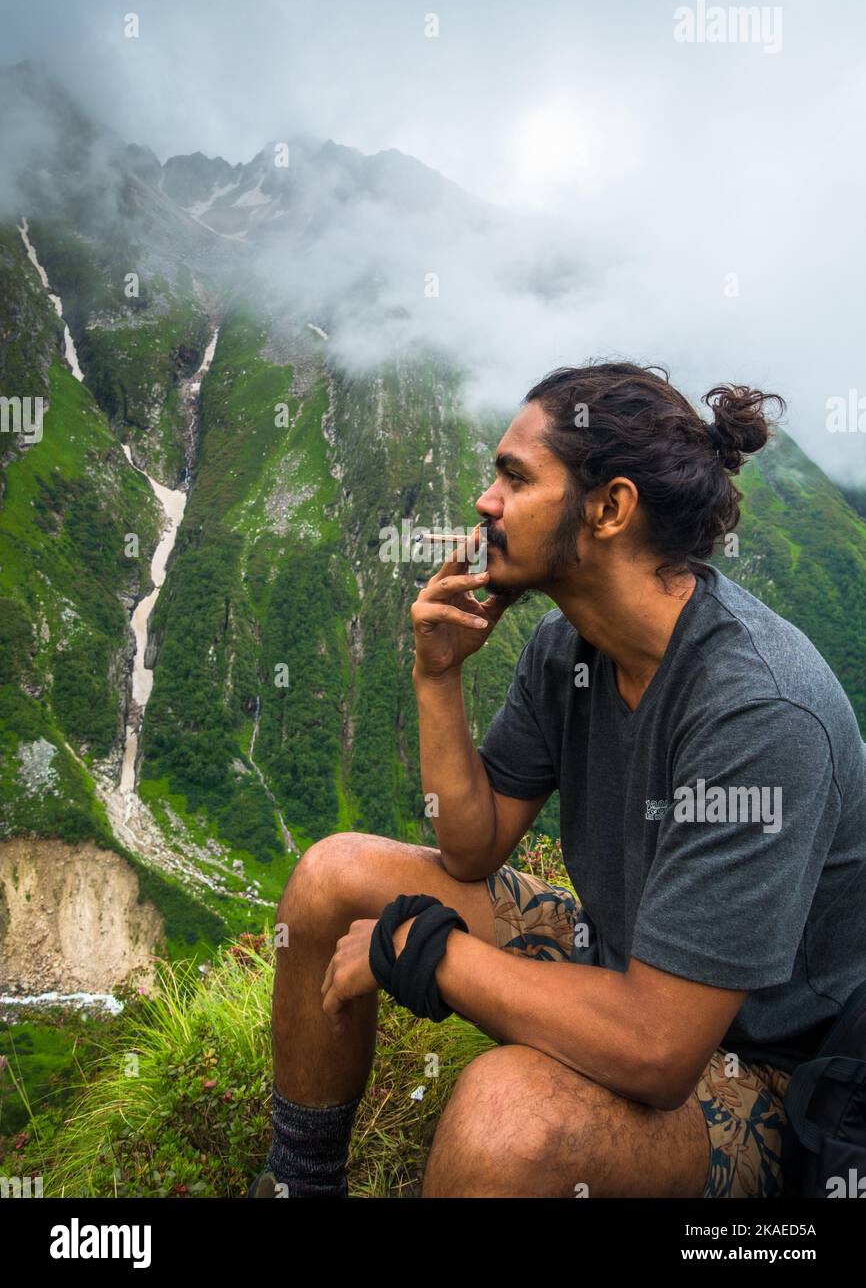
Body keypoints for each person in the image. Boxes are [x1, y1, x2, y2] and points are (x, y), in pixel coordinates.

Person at [249, 359, 866, 1199]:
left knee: (506, 1119)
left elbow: (657, 1052)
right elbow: (471, 849)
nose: (484, 502)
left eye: (513, 477)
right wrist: (438, 675)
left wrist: (430, 958)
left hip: (770, 1071)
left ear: (610, 508)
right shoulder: (566, 650)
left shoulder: (758, 715)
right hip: (624, 964)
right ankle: (300, 1183)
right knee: (332, 877)